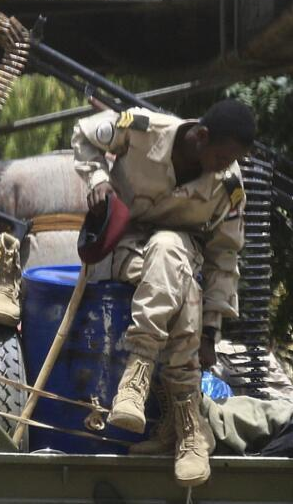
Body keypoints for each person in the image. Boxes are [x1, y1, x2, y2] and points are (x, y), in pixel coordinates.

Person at [72, 99, 255, 486]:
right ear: (201, 136)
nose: (226, 166)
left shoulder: (229, 185)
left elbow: (225, 257)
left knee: (172, 251)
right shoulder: (141, 130)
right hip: (128, 247)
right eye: (221, 156)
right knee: (175, 271)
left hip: (185, 255)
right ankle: (187, 423)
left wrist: (211, 331)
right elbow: (84, 135)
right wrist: (98, 180)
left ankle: (138, 375)